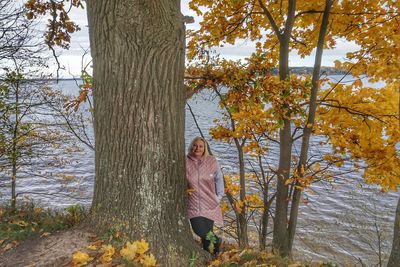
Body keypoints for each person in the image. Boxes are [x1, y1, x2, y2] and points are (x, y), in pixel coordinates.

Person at [186, 136, 224, 254]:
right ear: (191, 146)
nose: (197, 148)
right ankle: (217, 241)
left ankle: (212, 256)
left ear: (205, 148)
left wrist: (218, 197)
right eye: (195, 145)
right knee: (200, 230)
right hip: (193, 203)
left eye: (201, 146)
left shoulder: (212, 161)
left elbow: (219, 179)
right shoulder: (185, 161)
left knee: (207, 234)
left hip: (209, 203)